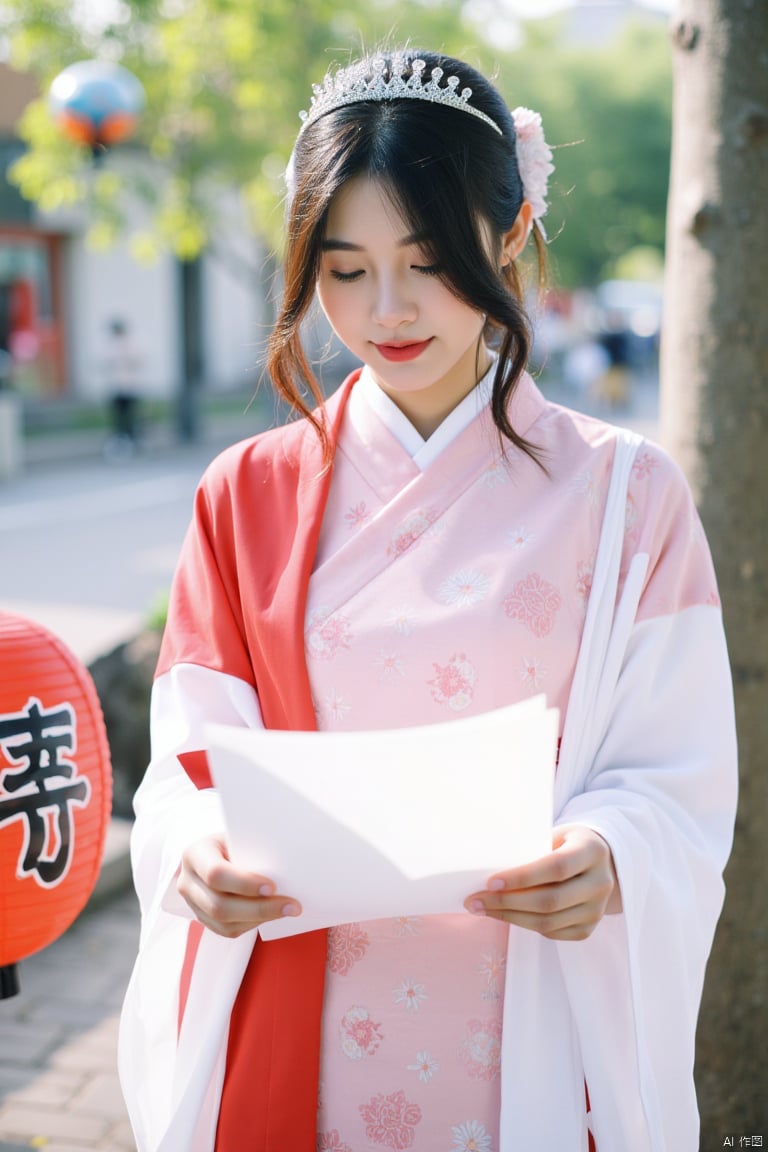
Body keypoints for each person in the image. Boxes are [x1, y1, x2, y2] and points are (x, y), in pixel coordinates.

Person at [118, 49, 737, 1152]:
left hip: (535, 1007)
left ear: (509, 239)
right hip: (298, 1000)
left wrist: (610, 852)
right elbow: (191, 763)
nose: (387, 310)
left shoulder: (626, 495)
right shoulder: (243, 495)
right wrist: (198, 850)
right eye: (345, 270)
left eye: (428, 261)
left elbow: (678, 771)